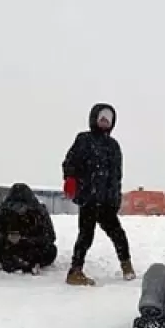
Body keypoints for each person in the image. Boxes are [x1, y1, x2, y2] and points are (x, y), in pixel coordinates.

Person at [62, 102, 134, 285]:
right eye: (101, 118)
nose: (104, 121)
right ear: (94, 119)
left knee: (118, 234)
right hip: (89, 199)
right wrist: (70, 178)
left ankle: (127, 266)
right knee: (86, 235)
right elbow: (70, 162)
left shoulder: (114, 146)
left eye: (108, 119)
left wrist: (115, 199)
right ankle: (75, 271)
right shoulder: (84, 139)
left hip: (107, 201)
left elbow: (116, 176)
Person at [0, 183, 57, 274]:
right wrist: (7, 238)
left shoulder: (39, 212)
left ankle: (19, 262)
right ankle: (22, 263)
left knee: (51, 250)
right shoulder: (6, 212)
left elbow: (50, 237)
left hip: (33, 248)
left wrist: (27, 239)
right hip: (10, 247)